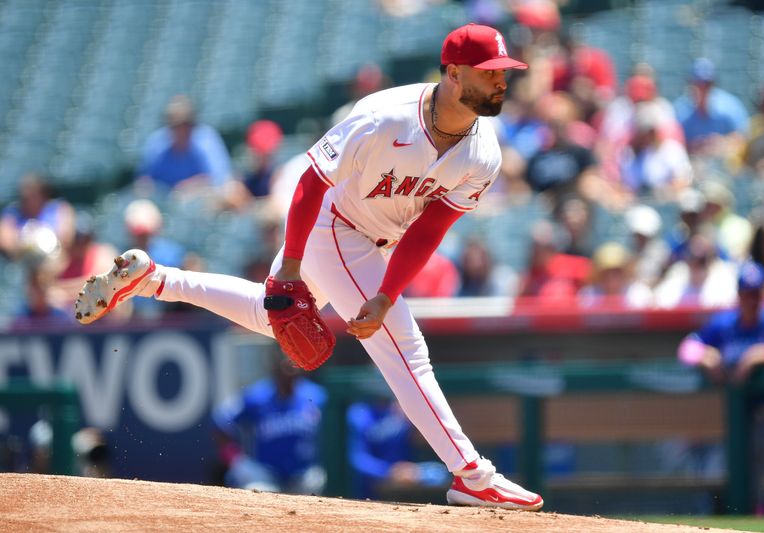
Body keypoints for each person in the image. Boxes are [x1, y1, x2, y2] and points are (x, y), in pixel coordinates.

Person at [74, 23, 544, 511]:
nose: (501, 81)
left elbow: (429, 230)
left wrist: (384, 294)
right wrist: (291, 270)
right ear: (452, 73)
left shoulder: (484, 152)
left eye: (504, 72)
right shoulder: (384, 117)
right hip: (334, 224)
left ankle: (156, 279)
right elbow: (310, 184)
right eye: (489, 72)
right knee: (406, 349)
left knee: (267, 314)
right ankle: (471, 474)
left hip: (376, 238)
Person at [677, 261, 764, 515]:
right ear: (739, 294)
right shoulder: (725, 324)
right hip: (740, 418)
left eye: (755, 293)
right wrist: (706, 357)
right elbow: (686, 349)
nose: (751, 299)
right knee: (746, 487)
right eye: (746, 293)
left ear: (763, 293)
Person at [212, 357, 327, 494]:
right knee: (258, 490)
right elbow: (221, 420)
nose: (289, 370)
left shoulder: (316, 395)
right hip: (265, 473)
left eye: (294, 364)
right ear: (274, 369)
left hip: (304, 474)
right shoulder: (256, 395)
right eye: (285, 365)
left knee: (316, 481)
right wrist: (235, 460)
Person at [347, 398, 448, 500]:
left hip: (408, 473)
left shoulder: (400, 411)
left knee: (439, 473)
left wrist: (410, 418)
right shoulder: (360, 413)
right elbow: (357, 459)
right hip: (374, 481)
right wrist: (389, 472)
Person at [137, 95, 232, 190]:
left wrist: (192, 186)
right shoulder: (156, 143)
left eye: (185, 125)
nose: (180, 130)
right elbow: (144, 181)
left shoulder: (206, 139)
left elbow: (221, 179)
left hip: (200, 199)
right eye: (174, 126)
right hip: (164, 200)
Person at [673, 58, 749, 157]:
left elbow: (744, 139)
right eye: (698, 84)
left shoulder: (730, 106)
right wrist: (694, 145)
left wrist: (722, 142)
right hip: (692, 165)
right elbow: (670, 145)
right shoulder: (680, 110)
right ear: (689, 84)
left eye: (707, 84)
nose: (702, 88)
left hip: (723, 166)